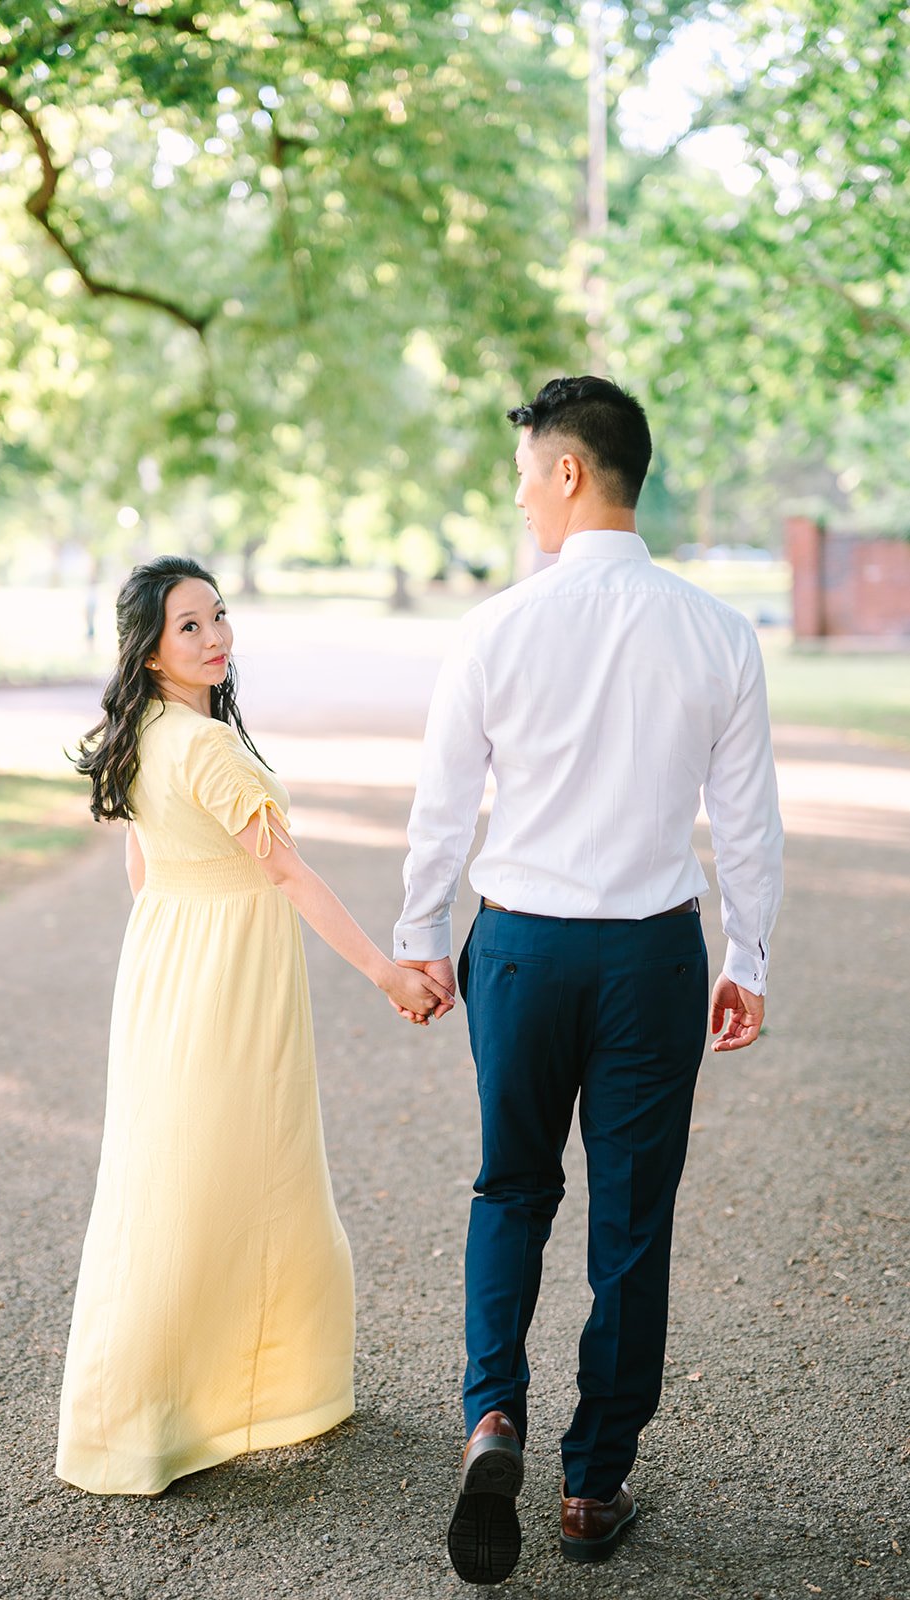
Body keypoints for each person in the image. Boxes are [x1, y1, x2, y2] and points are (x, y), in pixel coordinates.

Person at [391, 376, 783, 1580]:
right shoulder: (718, 630)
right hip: (650, 955)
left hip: (520, 946)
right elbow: (749, 823)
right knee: (631, 1226)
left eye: (526, 473)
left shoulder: (497, 627)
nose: (517, 497)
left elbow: (445, 804)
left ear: (571, 471)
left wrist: (420, 931)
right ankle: (591, 1485)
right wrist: (747, 956)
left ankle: (492, 1415)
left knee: (510, 1188)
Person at [57, 555, 450, 1496]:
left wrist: (167, 953)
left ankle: (192, 1396)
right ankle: (229, 1392)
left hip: (166, 965)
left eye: (219, 616)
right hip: (225, 972)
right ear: (150, 652)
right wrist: (388, 973)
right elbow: (288, 874)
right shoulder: (208, 749)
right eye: (189, 626)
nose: (215, 636)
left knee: (173, 1169)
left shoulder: (142, 735)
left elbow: (143, 871)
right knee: (241, 1166)